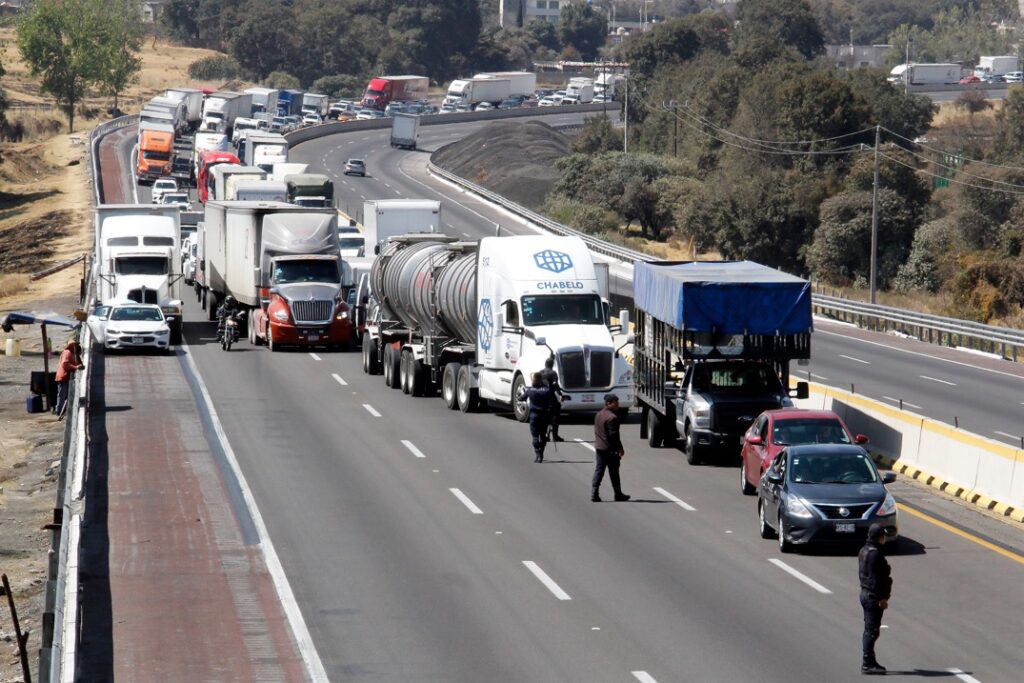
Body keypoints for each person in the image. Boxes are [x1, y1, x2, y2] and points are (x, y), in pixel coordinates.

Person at [858, 523, 893, 675]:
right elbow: (875, 579)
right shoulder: (874, 554)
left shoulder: (865, 550)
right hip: (873, 596)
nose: (884, 538)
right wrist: (882, 598)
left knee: (872, 630)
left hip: (866, 594)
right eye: (883, 536)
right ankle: (867, 663)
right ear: (879, 537)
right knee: (871, 631)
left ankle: (870, 660)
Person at [592, 394, 629, 502]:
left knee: (599, 470)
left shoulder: (598, 414)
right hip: (609, 449)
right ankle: (618, 494)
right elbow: (614, 436)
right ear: (608, 403)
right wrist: (620, 448)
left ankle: (594, 492)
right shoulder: (612, 418)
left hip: (599, 447)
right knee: (614, 473)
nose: (618, 405)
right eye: (615, 403)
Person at [519, 372, 554, 463]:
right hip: (544, 416)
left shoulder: (530, 390)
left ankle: (537, 454)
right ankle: (541, 454)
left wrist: (522, 392)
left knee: (535, 437)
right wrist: (551, 420)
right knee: (543, 436)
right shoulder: (546, 390)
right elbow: (551, 406)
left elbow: (521, 398)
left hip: (534, 416)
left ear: (535, 379)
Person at [54, 340, 84, 419]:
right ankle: (59, 411)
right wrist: (76, 367)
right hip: (63, 377)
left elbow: (77, 363)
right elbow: (65, 364)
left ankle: (64, 411)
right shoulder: (67, 352)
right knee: (62, 395)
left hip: (67, 378)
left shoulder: (72, 354)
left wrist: (78, 361)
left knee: (67, 396)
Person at [539, 357, 566, 442]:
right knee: (555, 418)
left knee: (544, 418)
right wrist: (560, 395)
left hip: (542, 398)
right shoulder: (553, 373)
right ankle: (555, 436)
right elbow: (555, 385)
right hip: (551, 399)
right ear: (552, 364)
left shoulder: (540, 372)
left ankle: (544, 435)